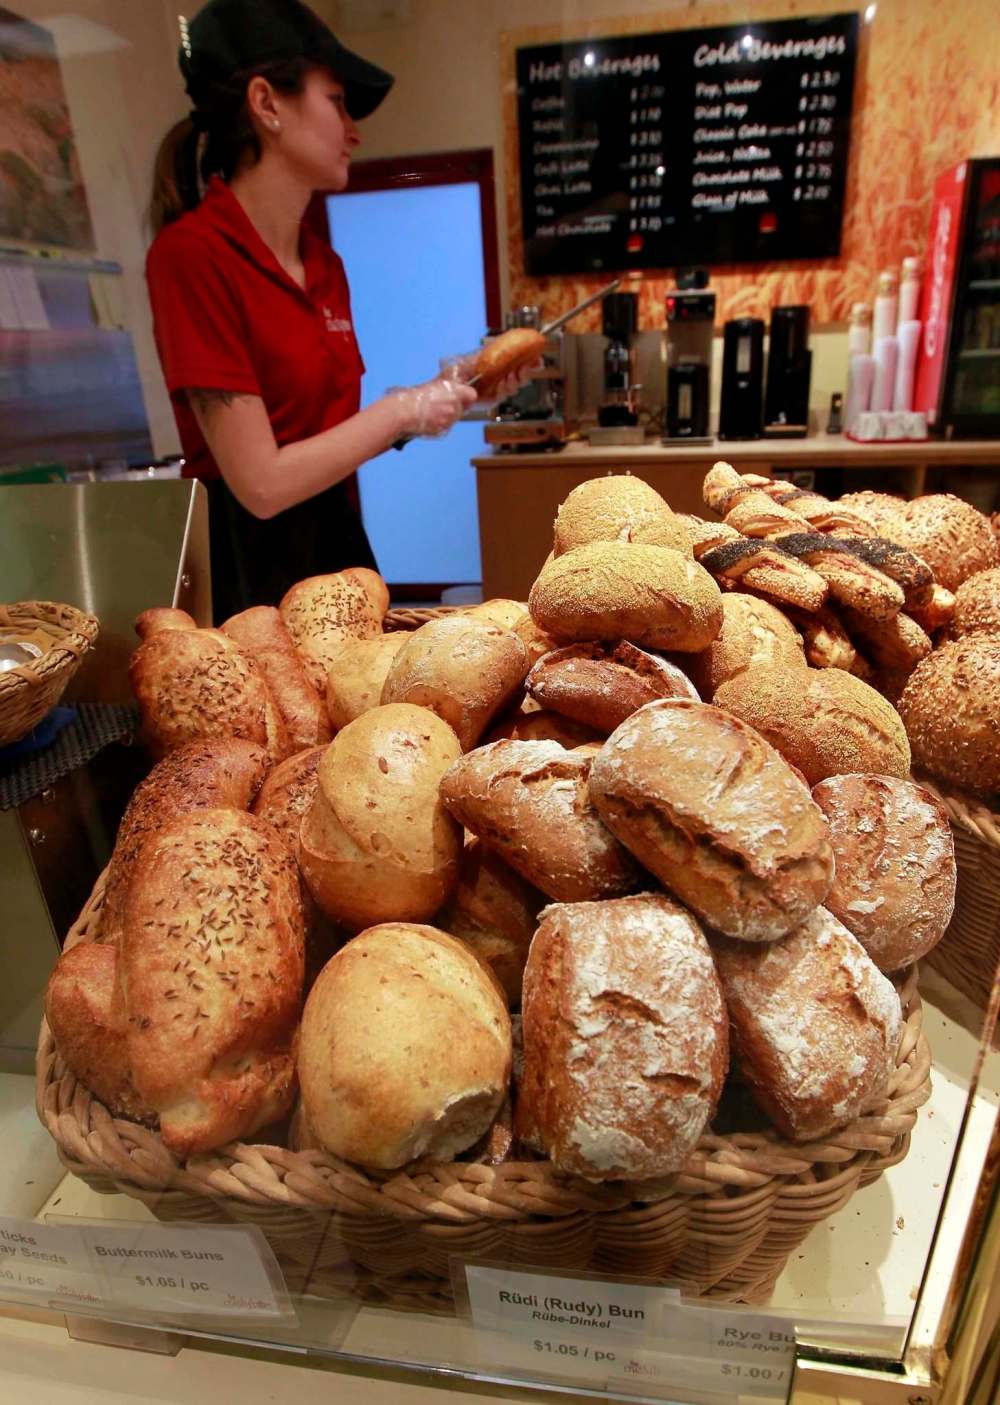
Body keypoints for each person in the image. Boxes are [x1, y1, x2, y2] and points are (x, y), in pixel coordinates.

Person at [146, 0, 483, 622]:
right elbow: (263, 485)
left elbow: (323, 439)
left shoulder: (323, 263)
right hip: (250, 570)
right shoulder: (191, 257)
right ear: (267, 103)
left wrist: (438, 394)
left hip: (338, 542)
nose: (353, 130)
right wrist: (399, 409)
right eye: (337, 102)